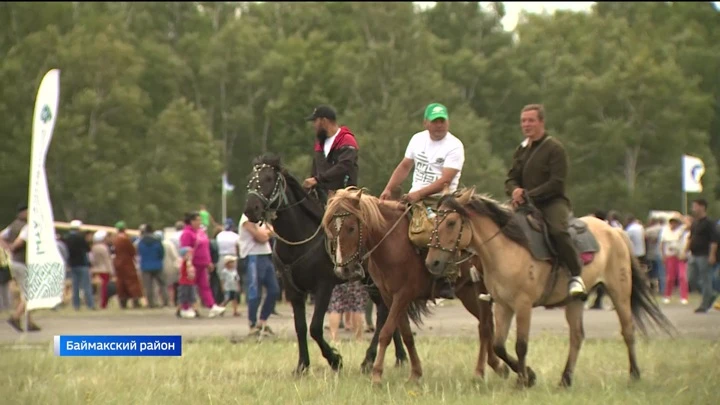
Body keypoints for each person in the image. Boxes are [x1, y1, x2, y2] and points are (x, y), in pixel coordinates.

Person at [379, 102, 464, 299]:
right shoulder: (417, 140)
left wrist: (419, 194)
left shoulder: (454, 146)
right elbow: (404, 166)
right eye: (435, 121)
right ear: (426, 123)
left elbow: (445, 180)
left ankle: (446, 278)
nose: (439, 125)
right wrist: (388, 188)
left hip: (442, 199)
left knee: (431, 233)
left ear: (448, 122)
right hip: (413, 197)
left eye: (442, 121)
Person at [504, 104, 586, 298]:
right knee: (499, 228)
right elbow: (510, 178)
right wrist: (514, 190)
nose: (526, 124)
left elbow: (556, 183)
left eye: (531, 120)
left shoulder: (555, 148)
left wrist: (527, 195)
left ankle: (576, 276)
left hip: (552, 202)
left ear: (541, 122)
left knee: (558, 231)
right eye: (523, 121)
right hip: (524, 203)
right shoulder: (522, 149)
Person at [303, 105, 359, 204]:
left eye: (315, 121)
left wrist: (317, 179)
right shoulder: (319, 145)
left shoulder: (346, 140)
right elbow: (315, 171)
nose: (314, 125)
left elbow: (344, 165)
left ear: (324, 121)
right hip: (323, 200)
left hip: (345, 200)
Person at [0, 203, 40, 332]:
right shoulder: (27, 227)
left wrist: (8, 248)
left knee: (25, 292)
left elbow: (1, 236)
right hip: (22, 262)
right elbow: (21, 240)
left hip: (15, 262)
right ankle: (16, 317)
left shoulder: (13, 225)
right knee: (30, 293)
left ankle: (29, 322)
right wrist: (12, 247)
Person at [239, 213, 279, 335]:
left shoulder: (261, 219)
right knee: (255, 292)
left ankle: (262, 321)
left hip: (265, 256)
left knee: (274, 290)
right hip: (252, 256)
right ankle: (252, 324)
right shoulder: (247, 219)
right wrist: (267, 232)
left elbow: (273, 231)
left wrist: (266, 232)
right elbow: (261, 237)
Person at [180, 212, 226, 317]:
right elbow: (184, 249)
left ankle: (211, 305)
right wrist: (188, 263)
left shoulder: (201, 232)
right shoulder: (187, 233)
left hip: (202, 263)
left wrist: (208, 261)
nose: (199, 222)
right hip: (192, 264)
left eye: (200, 220)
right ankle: (185, 308)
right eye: (197, 220)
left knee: (205, 286)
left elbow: (206, 248)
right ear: (191, 221)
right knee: (188, 286)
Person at [685, 199, 718, 313]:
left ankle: (704, 305)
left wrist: (712, 255)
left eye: (695, 206)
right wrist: (685, 250)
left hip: (704, 255)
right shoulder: (695, 222)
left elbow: (714, 240)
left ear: (702, 207)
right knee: (691, 279)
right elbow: (691, 237)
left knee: (705, 279)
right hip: (693, 254)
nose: (693, 208)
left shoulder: (709, 222)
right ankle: (711, 294)